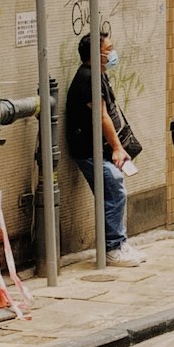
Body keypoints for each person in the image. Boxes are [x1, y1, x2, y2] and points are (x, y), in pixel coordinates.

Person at [65, 33, 146, 265]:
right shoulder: (88, 79)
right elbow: (101, 117)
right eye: (108, 49)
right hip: (89, 151)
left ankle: (119, 243)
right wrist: (117, 148)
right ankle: (112, 247)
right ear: (95, 54)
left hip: (98, 149)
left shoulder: (98, 76)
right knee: (114, 190)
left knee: (114, 190)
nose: (112, 53)